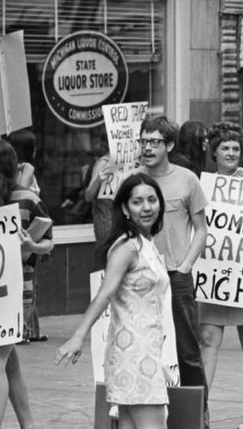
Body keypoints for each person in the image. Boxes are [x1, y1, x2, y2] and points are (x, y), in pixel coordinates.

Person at [56, 173, 169, 428]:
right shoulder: (127, 247)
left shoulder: (146, 243)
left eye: (152, 200)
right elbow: (105, 294)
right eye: (137, 202)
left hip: (143, 351)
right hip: (135, 355)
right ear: (125, 209)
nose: (147, 207)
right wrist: (78, 336)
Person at [197, 121, 243, 429]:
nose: (231, 153)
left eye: (236, 148)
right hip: (214, 273)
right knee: (208, 339)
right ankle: (201, 409)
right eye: (225, 148)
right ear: (214, 152)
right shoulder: (203, 184)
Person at [133, 116, 210, 393]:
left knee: (186, 349)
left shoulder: (187, 179)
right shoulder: (133, 180)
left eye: (154, 142)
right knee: (143, 346)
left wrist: (187, 265)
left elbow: (201, 229)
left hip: (176, 276)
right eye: (143, 141)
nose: (148, 148)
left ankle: (197, 416)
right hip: (139, 275)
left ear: (170, 145)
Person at [0, 138, 54, 429]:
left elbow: (50, 241)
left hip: (17, 289)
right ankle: (28, 424)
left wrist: (33, 245)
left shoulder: (27, 198)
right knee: (7, 360)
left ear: (2, 166)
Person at [6, 130, 48, 342]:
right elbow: (21, 193)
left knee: (30, 281)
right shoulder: (26, 168)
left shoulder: (14, 170)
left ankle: (31, 329)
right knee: (26, 282)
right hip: (26, 226)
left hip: (26, 226)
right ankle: (23, 328)